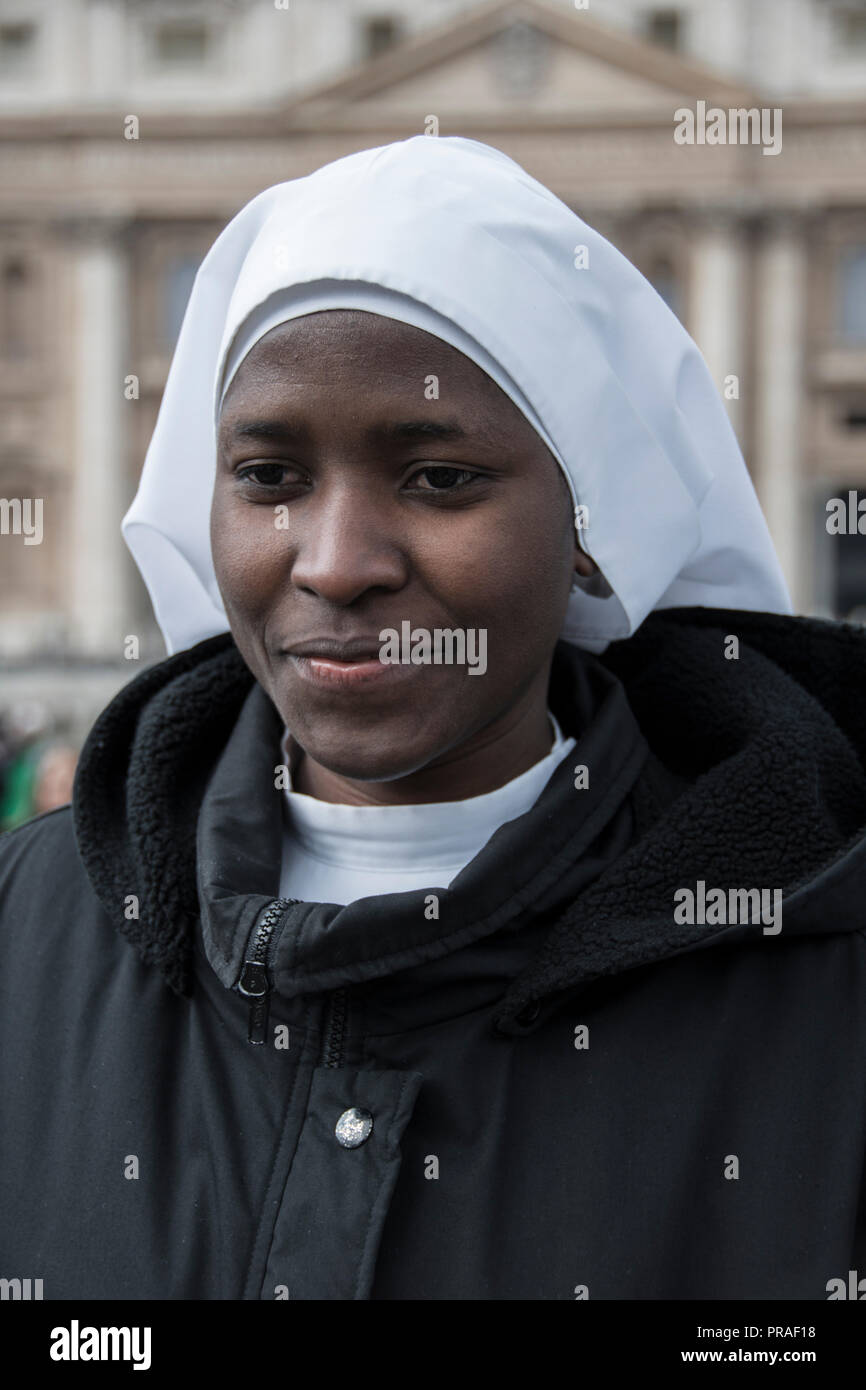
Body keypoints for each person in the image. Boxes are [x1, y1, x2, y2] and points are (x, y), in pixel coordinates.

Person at [1, 135, 864, 1302]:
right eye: (267, 475)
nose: (336, 563)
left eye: (438, 478)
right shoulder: (23, 925)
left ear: (587, 528)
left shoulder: (821, 975)